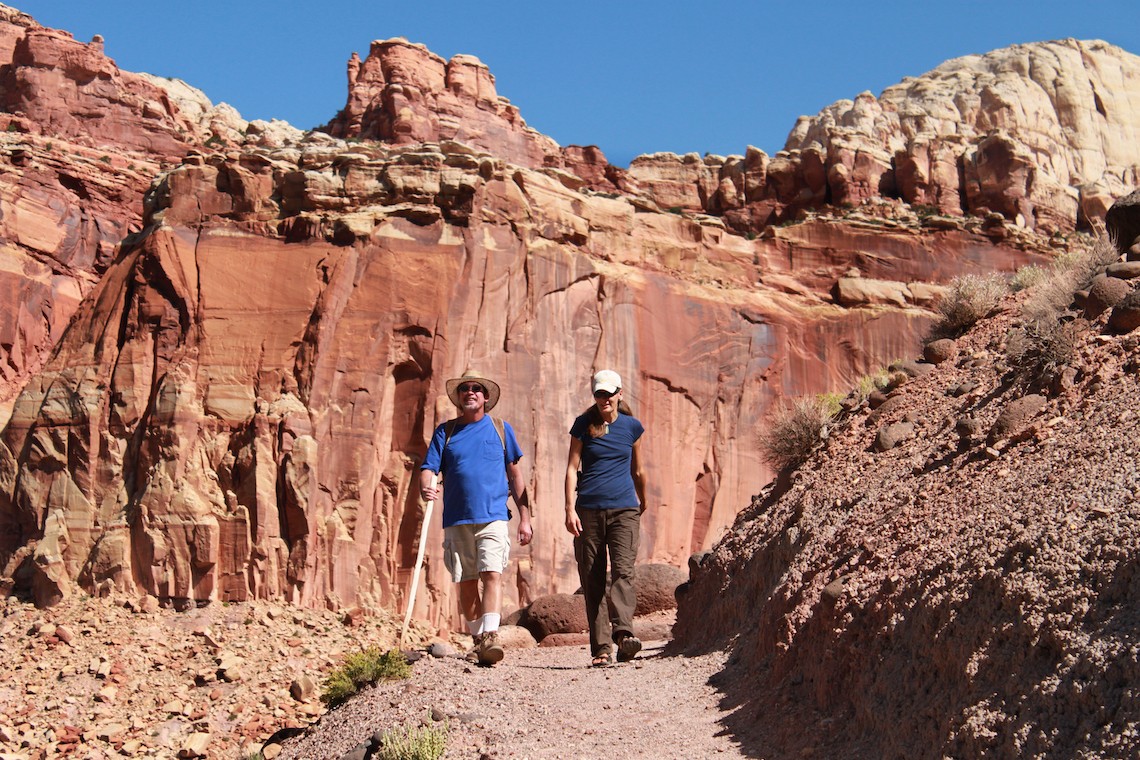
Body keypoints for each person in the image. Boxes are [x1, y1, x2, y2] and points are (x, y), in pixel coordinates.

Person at [420, 370, 533, 665]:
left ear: (485, 397)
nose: (470, 392)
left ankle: (491, 636)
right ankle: (477, 639)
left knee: (491, 572)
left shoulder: (500, 428)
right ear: (459, 397)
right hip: (457, 518)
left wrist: (525, 517)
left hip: (493, 514)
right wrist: (426, 486)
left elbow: (515, 475)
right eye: (465, 389)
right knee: (466, 580)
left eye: (476, 389)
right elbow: (429, 468)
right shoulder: (446, 432)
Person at [564, 369, 647, 667]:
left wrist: (643, 501)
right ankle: (601, 648)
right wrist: (568, 509)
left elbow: (638, 470)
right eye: (599, 394)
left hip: (625, 509)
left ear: (619, 394)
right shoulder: (583, 425)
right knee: (593, 577)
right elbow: (572, 468)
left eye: (609, 393)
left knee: (624, 571)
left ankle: (624, 636)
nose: (604, 399)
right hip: (588, 510)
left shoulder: (632, 427)